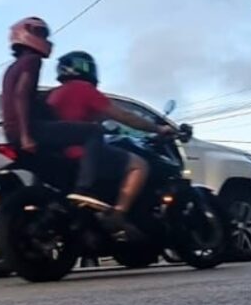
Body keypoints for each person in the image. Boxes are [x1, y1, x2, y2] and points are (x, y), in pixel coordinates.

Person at [46, 51, 175, 238]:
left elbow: (99, 120)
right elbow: (123, 116)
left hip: (60, 153)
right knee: (139, 166)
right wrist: (158, 129)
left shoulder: (54, 95)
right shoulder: (83, 89)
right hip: (84, 152)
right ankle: (119, 213)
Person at [0, 17, 105, 190]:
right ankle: (85, 188)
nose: (45, 39)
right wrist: (27, 135)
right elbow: (21, 94)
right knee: (94, 131)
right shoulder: (32, 61)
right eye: (40, 33)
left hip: (10, 132)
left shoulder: (12, 67)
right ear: (24, 34)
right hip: (30, 129)